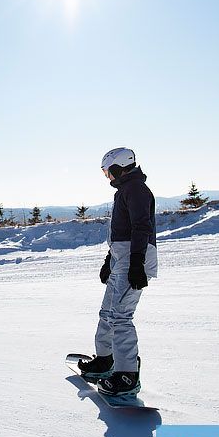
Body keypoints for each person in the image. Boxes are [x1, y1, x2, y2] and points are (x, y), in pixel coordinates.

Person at [78, 147, 157, 395]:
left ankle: (127, 375)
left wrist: (136, 262)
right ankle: (105, 360)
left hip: (135, 257)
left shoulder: (136, 190)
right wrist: (108, 259)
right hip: (121, 258)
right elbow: (120, 233)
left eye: (107, 172)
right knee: (107, 313)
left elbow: (141, 227)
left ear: (118, 167)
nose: (107, 177)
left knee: (121, 316)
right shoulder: (125, 190)